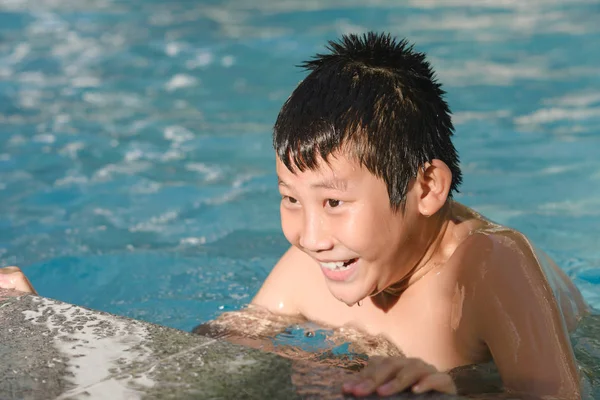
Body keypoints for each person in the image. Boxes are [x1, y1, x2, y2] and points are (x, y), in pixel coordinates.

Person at [3, 32, 589, 399]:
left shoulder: (490, 263)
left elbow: (557, 394)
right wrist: (48, 319)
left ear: (426, 187)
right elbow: (210, 354)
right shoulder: (321, 258)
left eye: (334, 202)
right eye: (290, 198)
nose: (309, 235)